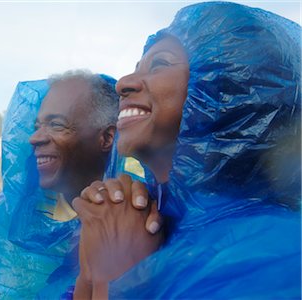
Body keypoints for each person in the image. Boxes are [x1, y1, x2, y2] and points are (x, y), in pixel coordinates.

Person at [73, 2, 301, 299]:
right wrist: (93, 261)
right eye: (136, 68)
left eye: (159, 65)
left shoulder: (274, 256)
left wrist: (118, 276)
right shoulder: (143, 216)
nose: (123, 84)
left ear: (229, 92)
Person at [0, 70, 163, 299]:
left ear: (107, 137)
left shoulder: (136, 210)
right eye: (37, 127)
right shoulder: (15, 218)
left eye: (56, 125)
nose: (35, 138)